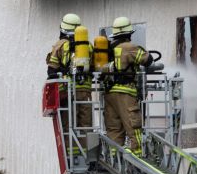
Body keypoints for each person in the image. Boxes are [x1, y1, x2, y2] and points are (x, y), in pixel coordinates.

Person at [100, 17, 148, 155]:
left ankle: (114, 157)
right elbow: (147, 59)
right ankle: (139, 154)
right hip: (125, 92)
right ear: (129, 34)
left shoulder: (109, 50)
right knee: (133, 125)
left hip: (109, 93)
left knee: (114, 129)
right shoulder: (129, 47)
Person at [46, 13, 91, 155]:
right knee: (86, 124)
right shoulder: (87, 46)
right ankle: (88, 154)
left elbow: (51, 71)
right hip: (85, 90)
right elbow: (95, 67)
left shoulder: (59, 45)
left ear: (63, 29)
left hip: (68, 90)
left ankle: (73, 155)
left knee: (69, 124)